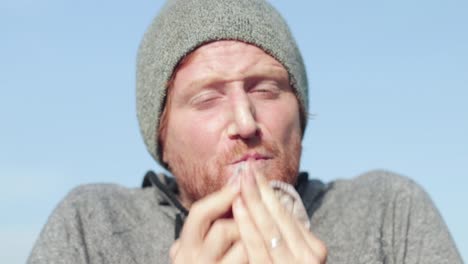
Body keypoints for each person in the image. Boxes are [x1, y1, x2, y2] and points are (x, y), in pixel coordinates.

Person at [28, 0, 462, 263]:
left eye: (267, 89)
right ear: (161, 135)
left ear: (301, 111)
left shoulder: (388, 212)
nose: (245, 122)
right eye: (206, 98)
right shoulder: (91, 225)